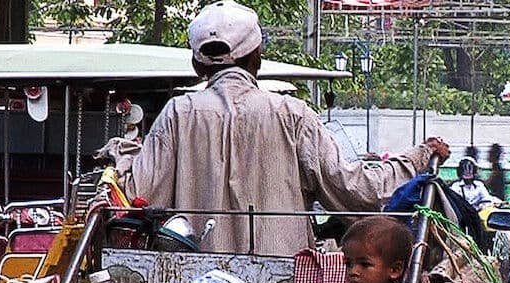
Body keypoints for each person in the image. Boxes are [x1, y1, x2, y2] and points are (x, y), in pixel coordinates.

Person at [125, 0, 449, 256]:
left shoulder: (177, 114)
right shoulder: (292, 114)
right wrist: (419, 158)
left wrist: (121, 153)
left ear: (197, 65)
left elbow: (137, 196)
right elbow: (355, 190)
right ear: (257, 57)